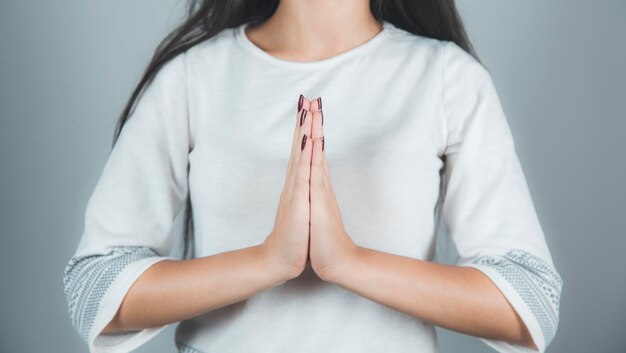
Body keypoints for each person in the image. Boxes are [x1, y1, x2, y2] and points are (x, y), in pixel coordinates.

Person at [62, 1, 564, 352]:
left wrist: (347, 262)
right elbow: (94, 290)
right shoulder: (194, 78)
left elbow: (528, 299)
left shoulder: (447, 79)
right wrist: (268, 261)